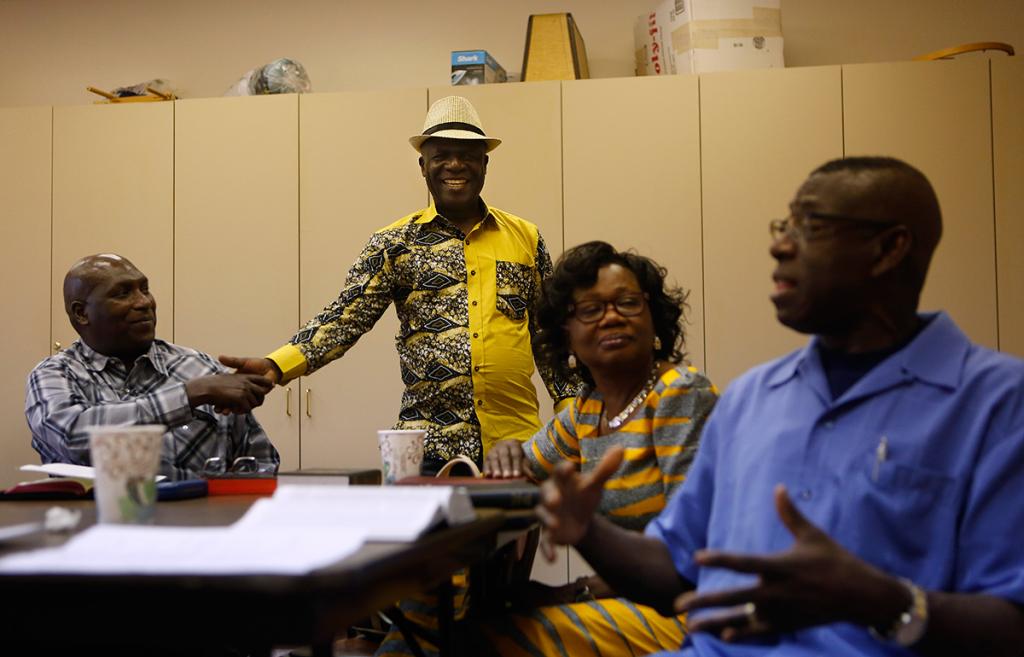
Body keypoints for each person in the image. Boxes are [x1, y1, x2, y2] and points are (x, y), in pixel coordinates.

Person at [536, 157, 1024, 657]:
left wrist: (878, 600)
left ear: (889, 249)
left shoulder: (998, 403)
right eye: (784, 225)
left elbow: (1013, 626)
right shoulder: (751, 397)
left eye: (809, 227)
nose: (780, 245)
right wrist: (586, 529)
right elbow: (675, 568)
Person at [219, 95, 575, 473]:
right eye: (441, 155)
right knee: (430, 535)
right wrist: (277, 366)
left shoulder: (526, 238)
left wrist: (573, 416)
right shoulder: (393, 243)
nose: (455, 165)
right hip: (427, 446)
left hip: (517, 443)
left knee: (519, 533)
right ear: (424, 166)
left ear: (485, 163)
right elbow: (345, 317)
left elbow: (549, 336)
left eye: (468, 155)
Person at [478, 241, 718, 656]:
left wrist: (575, 592)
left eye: (627, 303)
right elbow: (528, 464)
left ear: (654, 320)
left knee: (487, 638)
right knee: (455, 620)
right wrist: (507, 450)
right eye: (590, 310)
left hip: (692, 608)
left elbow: (691, 556)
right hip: (633, 602)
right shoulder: (588, 412)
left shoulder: (679, 395)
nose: (611, 317)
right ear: (566, 337)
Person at [26, 254, 279, 480]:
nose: (143, 302)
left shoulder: (199, 367)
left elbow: (262, 461)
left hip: (202, 524)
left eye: (145, 289)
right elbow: (73, 436)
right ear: (81, 313)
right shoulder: (54, 374)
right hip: (97, 527)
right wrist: (189, 395)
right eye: (123, 293)